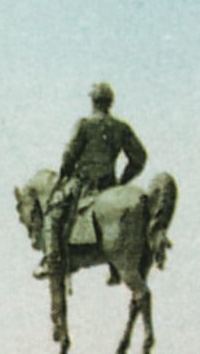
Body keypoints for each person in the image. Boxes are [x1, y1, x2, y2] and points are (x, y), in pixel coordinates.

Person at [42, 83, 147, 281]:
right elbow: (139, 158)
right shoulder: (121, 127)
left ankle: (51, 261)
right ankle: (116, 268)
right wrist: (122, 182)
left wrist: (64, 173)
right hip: (109, 185)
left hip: (82, 184)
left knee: (52, 213)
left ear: (93, 102)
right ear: (110, 103)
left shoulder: (84, 124)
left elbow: (69, 154)